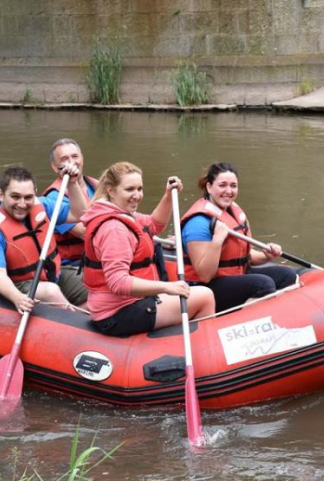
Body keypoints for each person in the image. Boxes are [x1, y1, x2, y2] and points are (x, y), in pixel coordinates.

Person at [81, 162, 215, 337]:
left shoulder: (120, 213)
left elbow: (154, 225)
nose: (137, 196)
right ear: (111, 191)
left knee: (195, 294)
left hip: (127, 304)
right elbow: (118, 282)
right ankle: (204, 350)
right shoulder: (114, 228)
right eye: (129, 189)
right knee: (205, 296)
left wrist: (168, 196)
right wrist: (167, 287)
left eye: (139, 189)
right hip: (117, 314)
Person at [181, 162, 298, 312]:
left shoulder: (232, 211)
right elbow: (205, 275)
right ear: (209, 187)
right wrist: (217, 240)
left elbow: (244, 257)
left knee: (287, 275)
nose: (228, 191)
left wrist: (266, 256)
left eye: (233, 186)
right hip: (207, 288)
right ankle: (238, 325)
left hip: (236, 275)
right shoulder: (198, 222)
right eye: (222, 185)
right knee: (263, 285)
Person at [0, 164, 88, 315]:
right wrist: (17, 298)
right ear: (1, 194)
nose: (22, 204)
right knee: (51, 291)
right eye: (15, 197)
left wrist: (73, 184)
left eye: (28, 197)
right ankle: (76, 323)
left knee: (92, 281)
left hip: (52, 274)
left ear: (35, 194)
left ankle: (93, 315)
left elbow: (79, 214)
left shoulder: (42, 204)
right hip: (17, 285)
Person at [41, 139, 97, 308]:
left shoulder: (97, 186)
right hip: (71, 265)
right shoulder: (54, 199)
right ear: (54, 166)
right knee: (109, 290)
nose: (72, 162)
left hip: (97, 259)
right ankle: (78, 318)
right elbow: (85, 233)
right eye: (64, 159)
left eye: (75, 156)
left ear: (82, 158)